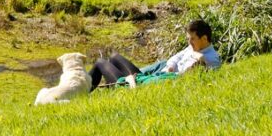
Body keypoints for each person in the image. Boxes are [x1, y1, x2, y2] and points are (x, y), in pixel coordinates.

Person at [89, 20, 221, 91]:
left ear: (204, 38)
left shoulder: (211, 59)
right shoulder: (194, 47)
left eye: (192, 39)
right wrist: (170, 66)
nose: (189, 42)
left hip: (137, 85)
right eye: (188, 39)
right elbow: (176, 57)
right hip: (154, 77)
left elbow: (194, 77)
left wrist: (131, 81)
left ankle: (78, 92)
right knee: (114, 57)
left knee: (101, 62)